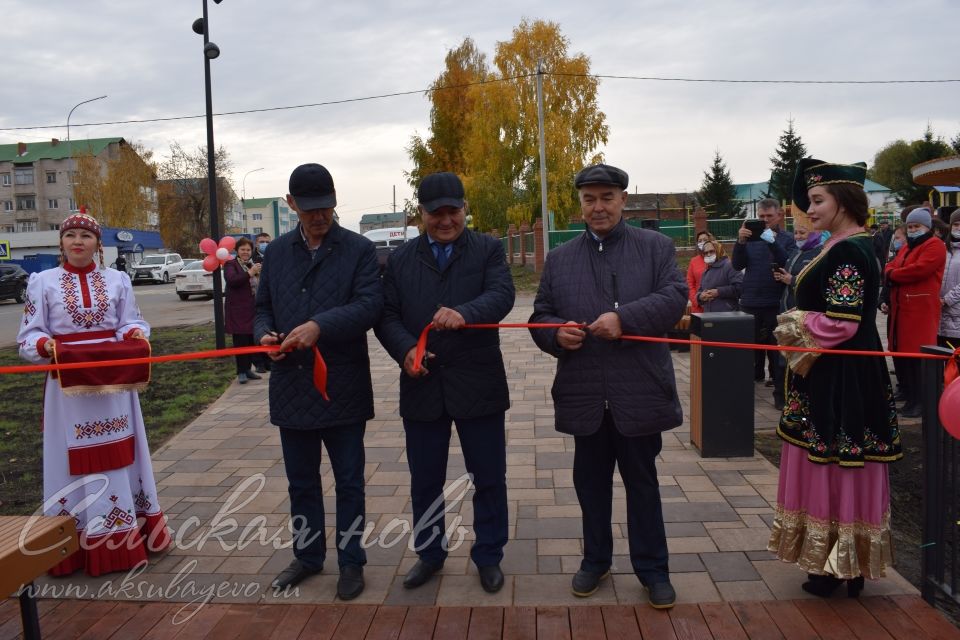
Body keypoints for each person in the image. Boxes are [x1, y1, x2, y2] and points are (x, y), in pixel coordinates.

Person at [529, 164, 686, 609]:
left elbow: (675, 297)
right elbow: (540, 314)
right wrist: (555, 333)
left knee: (643, 483)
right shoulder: (560, 258)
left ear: (623, 201)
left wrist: (625, 318)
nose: (598, 207)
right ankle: (595, 560)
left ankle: (653, 570)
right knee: (590, 484)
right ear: (579, 203)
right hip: (584, 392)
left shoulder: (655, 247)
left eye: (607, 198)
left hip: (638, 389)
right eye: (589, 199)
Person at [375, 172, 515, 594]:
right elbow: (386, 316)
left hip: (478, 383)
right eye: (436, 213)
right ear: (421, 214)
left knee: (488, 476)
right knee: (425, 479)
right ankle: (430, 554)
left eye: (453, 211)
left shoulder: (488, 249)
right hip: (422, 384)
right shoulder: (400, 259)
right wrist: (405, 351)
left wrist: (465, 312)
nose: (446, 220)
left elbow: (503, 295)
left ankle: (488, 554)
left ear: (465, 209)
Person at [769, 158, 902, 598]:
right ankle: (842, 562)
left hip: (840, 377)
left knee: (834, 463)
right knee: (836, 464)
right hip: (838, 373)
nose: (812, 209)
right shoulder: (845, 243)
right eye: (810, 200)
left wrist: (793, 323)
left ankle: (837, 566)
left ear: (844, 201)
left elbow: (842, 322)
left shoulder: (847, 250)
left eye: (819, 200)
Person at [17, 210, 170, 576]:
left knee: (120, 454)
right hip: (68, 388)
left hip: (113, 384)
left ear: (98, 244)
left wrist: (134, 333)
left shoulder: (117, 279)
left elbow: (131, 320)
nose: (78, 243)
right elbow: (28, 335)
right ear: (62, 243)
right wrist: (44, 346)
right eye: (71, 236)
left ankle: (123, 533)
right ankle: (73, 539)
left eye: (85, 237)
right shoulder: (42, 282)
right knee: (71, 455)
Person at [255, 163, 382, 600]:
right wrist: (263, 337)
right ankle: (308, 557)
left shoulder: (359, 250)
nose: (318, 216)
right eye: (309, 209)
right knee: (301, 482)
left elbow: (369, 306)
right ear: (291, 205)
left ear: (334, 201)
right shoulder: (275, 253)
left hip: (341, 385)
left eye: (325, 207)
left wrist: (318, 326)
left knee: (348, 481)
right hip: (291, 385)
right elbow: (262, 308)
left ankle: (351, 562)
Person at [732, 198, 797, 409]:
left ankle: (780, 397)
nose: (765, 220)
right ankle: (740, 395)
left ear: (779, 215)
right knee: (744, 353)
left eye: (769, 216)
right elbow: (737, 264)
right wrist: (740, 243)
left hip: (775, 302)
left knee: (777, 354)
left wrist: (773, 241)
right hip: (750, 300)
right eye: (761, 216)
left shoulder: (786, 238)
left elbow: (787, 261)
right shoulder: (749, 239)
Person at [883, 207, 946, 418]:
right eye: (909, 226)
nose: (912, 230)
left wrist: (892, 273)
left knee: (917, 359)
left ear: (927, 227)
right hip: (902, 310)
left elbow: (919, 270)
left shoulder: (935, 245)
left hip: (920, 311)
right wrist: (892, 271)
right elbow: (890, 264)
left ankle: (920, 401)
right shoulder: (907, 246)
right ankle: (910, 396)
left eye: (916, 226)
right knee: (904, 359)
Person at [224, 237, 263, 384]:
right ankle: (240, 371)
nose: (246, 252)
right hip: (237, 310)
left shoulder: (252, 265)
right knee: (240, 341)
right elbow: (233, 281)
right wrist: (249, 273)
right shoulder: (230, 264)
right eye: (243, 249)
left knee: (250, 340)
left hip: (252, 309)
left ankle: (248, 369)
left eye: (248, 249)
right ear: (237, 251)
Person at [774, 225, 825, 313]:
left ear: (814, 234)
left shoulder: (821, 253)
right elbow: (789, 277)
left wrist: (792, 280)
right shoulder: (796, 251)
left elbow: (821, 282)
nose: (797, 236)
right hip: (788, 308)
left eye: (802, 233)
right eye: (795, 233)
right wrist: (782, 277)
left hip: (807, 311)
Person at [696, 240, 742, 312]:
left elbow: (739, 288)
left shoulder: (730, 266)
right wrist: (700, 297)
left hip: (727, 315)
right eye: (706, 253)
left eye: (711, 251)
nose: (708, 255)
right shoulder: (706, 271)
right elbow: (700, 290)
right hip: (709, 316)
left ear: (718, 250)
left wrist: (719, 292)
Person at [940, 210, 960, 348]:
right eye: (956, 224)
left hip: (956, 311)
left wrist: (947, 299)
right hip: (938, 311)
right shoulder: (942, 248)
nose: (958, 228)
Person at [686, 230, 712, 313]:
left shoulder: (721, 259)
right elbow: (689, 284)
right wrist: (697, 299)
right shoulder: (694, 261)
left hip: (717, 306)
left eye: (705, 240)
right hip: (698, 309)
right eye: (699, 241)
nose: (702, 242)